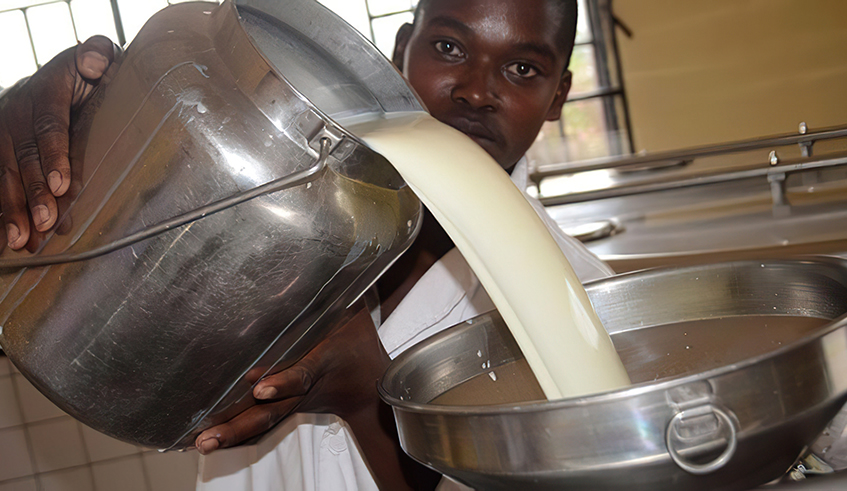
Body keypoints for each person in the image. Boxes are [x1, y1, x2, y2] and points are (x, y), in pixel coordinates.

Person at [0, 0, 613, 489]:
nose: (477, 89)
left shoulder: (580, 306)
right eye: (449, 47)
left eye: (523, 68)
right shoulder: (268, 193)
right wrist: (85, 123)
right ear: (400, 50)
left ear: (559, 93)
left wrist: (373, 397)